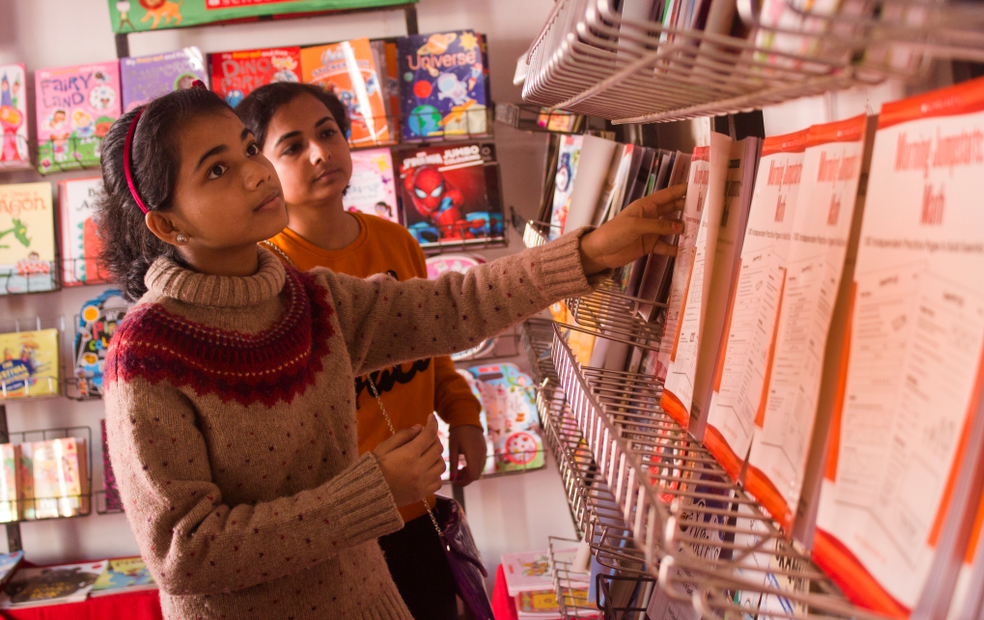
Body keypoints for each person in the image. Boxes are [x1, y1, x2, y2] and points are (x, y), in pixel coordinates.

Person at [96, 85, 686, 620]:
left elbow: (454, 306)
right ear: (169, 226)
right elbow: (185, 552)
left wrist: (588, 253)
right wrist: (372, 490)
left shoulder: (312, 298)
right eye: (218, 169)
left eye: (249, 150)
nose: (256, 174)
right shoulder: (146, 354)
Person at [235, 82, 486, 620]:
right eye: (293, 146)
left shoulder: (397, 242)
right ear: (260, 168)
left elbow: (433, 345)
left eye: (328, 133)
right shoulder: (266, 274)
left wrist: (463, 413)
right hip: (341, 524)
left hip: (419, 506)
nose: (320, 153)